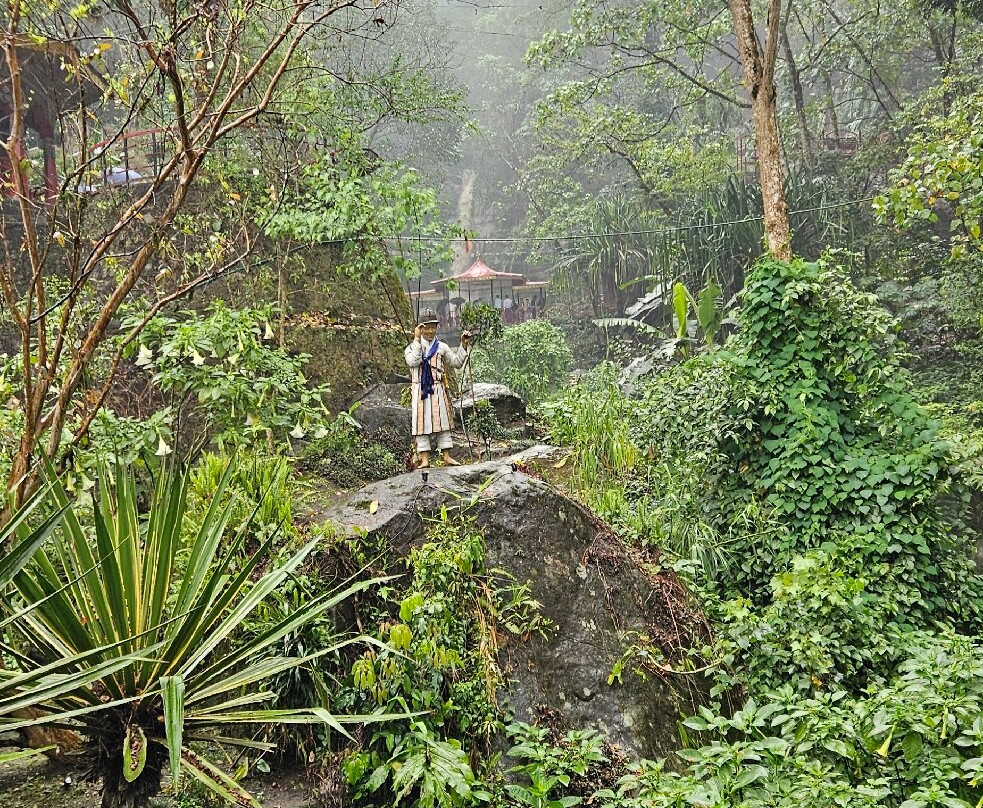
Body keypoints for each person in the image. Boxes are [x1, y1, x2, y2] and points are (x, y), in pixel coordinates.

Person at [404, 310, 471, 468]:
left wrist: (463, 344)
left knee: (443, 422)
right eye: (426, 327)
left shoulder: (442, 347)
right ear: (420, 328)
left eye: (433, 327)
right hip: (420, 390)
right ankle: (425, 459)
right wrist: (416, 340)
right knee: (421, 424)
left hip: (438, 388)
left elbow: (456, 363)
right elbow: (413, 362)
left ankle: (446, 456)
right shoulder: (411, 348)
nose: (430, 331)